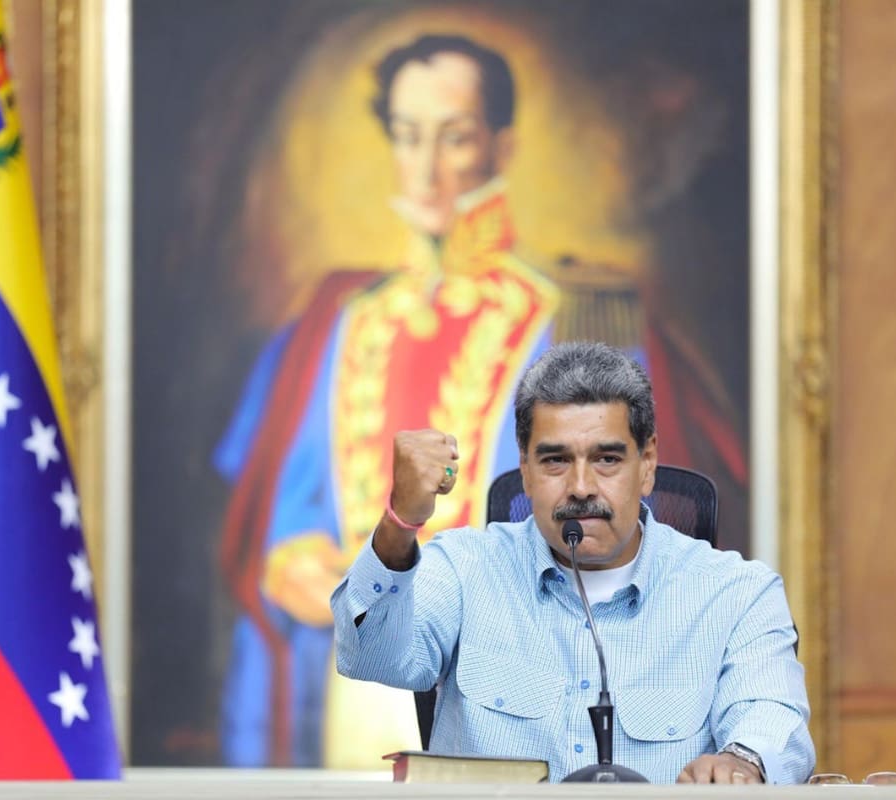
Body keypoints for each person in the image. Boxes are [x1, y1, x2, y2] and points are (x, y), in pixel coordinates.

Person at [215, 33, 747, 768]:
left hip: (530, 689)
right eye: (408, 136)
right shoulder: (340, 319)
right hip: (350, 685)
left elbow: (639, 533)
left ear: (500, 147)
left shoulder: (581, 318)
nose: (427, 167)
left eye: (454, 138)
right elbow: (285, 505)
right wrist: (295, 556)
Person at [331, 341, 814, 783]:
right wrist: (400, 522)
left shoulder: (737, 593)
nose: (581, 487)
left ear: (646, 465)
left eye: (606, 459)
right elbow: (369, 654)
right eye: (555, 461)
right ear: (525, 470)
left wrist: (741, 762)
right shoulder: (464, 568)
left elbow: (772, 717)